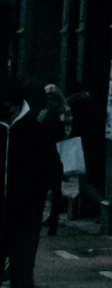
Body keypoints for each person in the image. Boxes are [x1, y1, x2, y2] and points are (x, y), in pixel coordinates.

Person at [0, 77, 64, 288]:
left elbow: (53, 169)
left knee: (22, 274)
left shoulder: (36, 130)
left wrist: (36, 199)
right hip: (22, 212)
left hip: (24, 214)